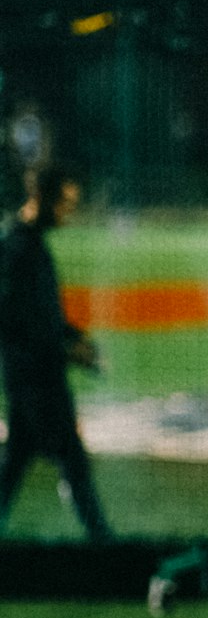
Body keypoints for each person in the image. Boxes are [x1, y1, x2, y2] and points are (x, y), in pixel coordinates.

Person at [0, 164, 113, 542]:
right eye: (64, 203)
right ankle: (100, 540)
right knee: (71, 457)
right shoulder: (16, 250)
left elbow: (44, 316)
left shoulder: (30, 246)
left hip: (36, 375)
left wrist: (74, 337)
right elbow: (18, 323)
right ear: (42, 198)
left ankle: (99, 536)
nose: (67, 212)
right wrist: (67, 350)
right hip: (34, 379)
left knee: (17, 460)